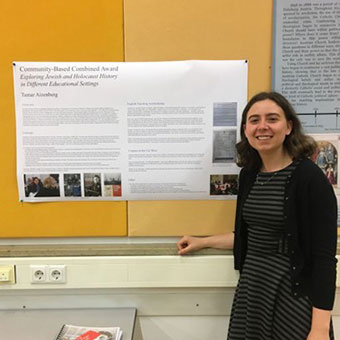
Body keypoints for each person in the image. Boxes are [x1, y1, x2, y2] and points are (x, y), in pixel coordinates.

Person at [177, 92, 337, 340]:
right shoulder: (250, 176)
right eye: (254, 120)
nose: (262, 127)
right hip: (253, 291)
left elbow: (324, 260)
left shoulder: (310, 179)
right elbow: (249, 235)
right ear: (245, 129)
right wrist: (203, 241)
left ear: (288, 127)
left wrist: (319, 329)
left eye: (272, 119)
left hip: (293, 295)